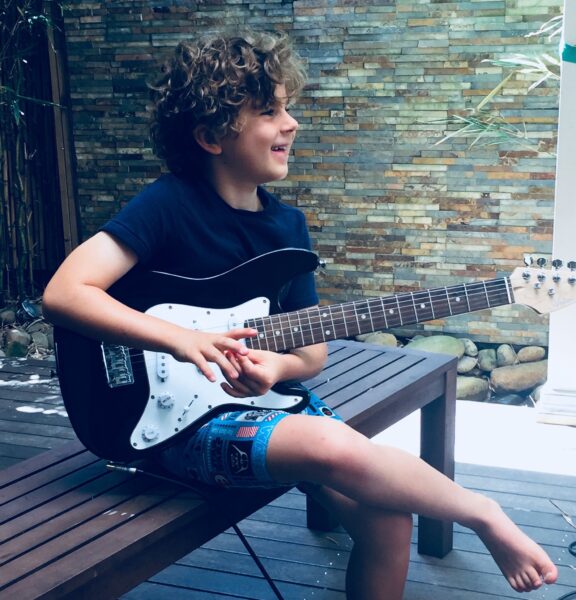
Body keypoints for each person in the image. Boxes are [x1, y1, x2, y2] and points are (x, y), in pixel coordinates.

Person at [43, 30, 558, 599]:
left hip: (259, 403)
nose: (291, 123)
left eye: (288, 107)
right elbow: (67, 292)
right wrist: (177, 340)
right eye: (270, 111)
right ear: (212, 136)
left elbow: (310, 350)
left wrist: (275, 370)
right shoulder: (168, 205)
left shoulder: (288, 232)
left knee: (388, 519)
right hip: (169, 424)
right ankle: (483, 513)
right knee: (331, 445)